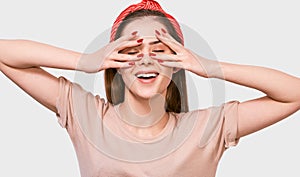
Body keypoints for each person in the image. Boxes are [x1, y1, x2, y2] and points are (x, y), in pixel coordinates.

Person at [0, 0, 299, 176]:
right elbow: (5, 53)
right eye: (131, 50)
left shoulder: (208, 128)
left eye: (159, 50)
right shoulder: (87, 115)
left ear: (177, 63)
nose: (145, 59)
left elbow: (293, 94)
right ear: (114, 61)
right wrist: (85, 60)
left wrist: (211, 68)